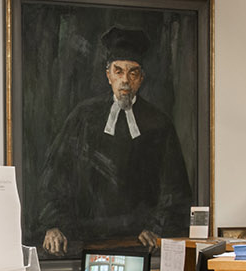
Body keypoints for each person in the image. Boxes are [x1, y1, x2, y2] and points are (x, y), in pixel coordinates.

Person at [32, 27, 193, 257]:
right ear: (108, 75)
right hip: (83, 242)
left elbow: (174, 190)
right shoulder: (83, 117)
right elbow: (55, 176)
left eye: (133, 73)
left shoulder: (159, 124)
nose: (125, 80)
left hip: (137, 243)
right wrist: (52, 225)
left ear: (141, 78)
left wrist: (157, 228)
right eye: (119, 71)